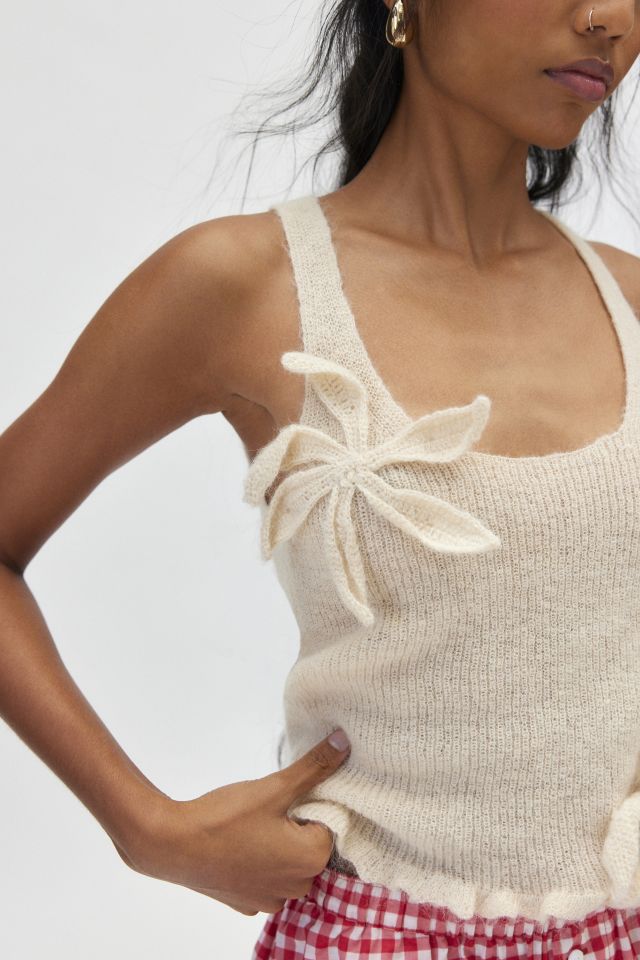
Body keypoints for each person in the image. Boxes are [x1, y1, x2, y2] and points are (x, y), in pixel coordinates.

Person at [1, 0, 640, 957]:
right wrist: (147, 828)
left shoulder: (630, 300)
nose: (611, 18)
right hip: (375, 933)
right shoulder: (248, 285)